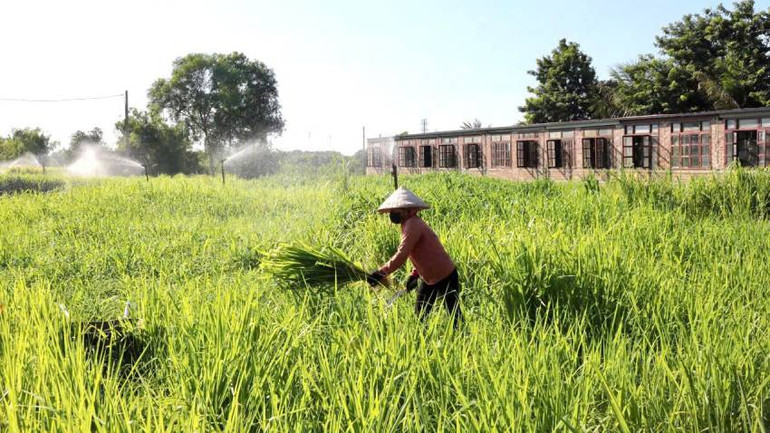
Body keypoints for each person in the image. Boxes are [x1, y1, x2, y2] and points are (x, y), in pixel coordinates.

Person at [367, 187, 463, 327]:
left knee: (454, 314)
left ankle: (462, 340)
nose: (393, 215)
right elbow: (422, 253)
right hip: (430, 277)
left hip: (444, 274)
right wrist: (415, 274)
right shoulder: (407, 224)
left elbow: (402, 254)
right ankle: (424, 344)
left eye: (397, 212)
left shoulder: (413, 224)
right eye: (392, 212)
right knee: (421, 315)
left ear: (408, 210)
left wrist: (382, 272)